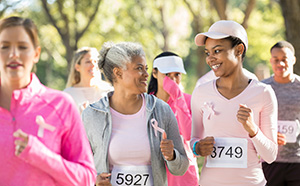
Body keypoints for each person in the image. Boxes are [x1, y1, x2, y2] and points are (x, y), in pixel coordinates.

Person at [0, 16, 97, 185]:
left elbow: (87, 179)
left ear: (36, 54)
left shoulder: (61, 105)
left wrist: (40, 155)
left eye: (22, 47)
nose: (13, 54)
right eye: (4, 47)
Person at [82, 42, 189, 186]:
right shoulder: (92, 115)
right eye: (139, 68)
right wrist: (93, 180)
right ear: (118, 72)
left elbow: (181, 168)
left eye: (146, 68)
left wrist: (172, 156)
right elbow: (79, 165)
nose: (146, 74)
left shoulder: (161, 110)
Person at [191, 20, 278, 186]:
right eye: (207, 53)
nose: (210, 59)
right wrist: (198, 148)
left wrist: (253, 129)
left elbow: (271, 156)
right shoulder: (201, 92)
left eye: (217, 51)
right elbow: (194, 139)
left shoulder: (263, 93)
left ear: (239, 50)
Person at [147, 51, 199, 186]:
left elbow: (188, 134)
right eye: (167, 75)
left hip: (183, 172)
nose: (173, 80)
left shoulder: (188, 100)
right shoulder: (145, 103)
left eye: (177, 74)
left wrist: (178, 98)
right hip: (154, 170)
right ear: (154, 73)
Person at [261, 41, 300, 186]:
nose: (280, 64)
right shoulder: (262, 88)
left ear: (293, 60)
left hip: (297, 160)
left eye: (284, 59)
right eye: (276, 60)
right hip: (270, 161)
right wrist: (268, 135)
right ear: (271, 61)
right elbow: (253, 122)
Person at [64, 47, 113, 113]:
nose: (93, 65)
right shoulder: (68, 94)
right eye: (88, 61)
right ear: (77, 67)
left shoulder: (109, 91)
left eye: (95, 61)